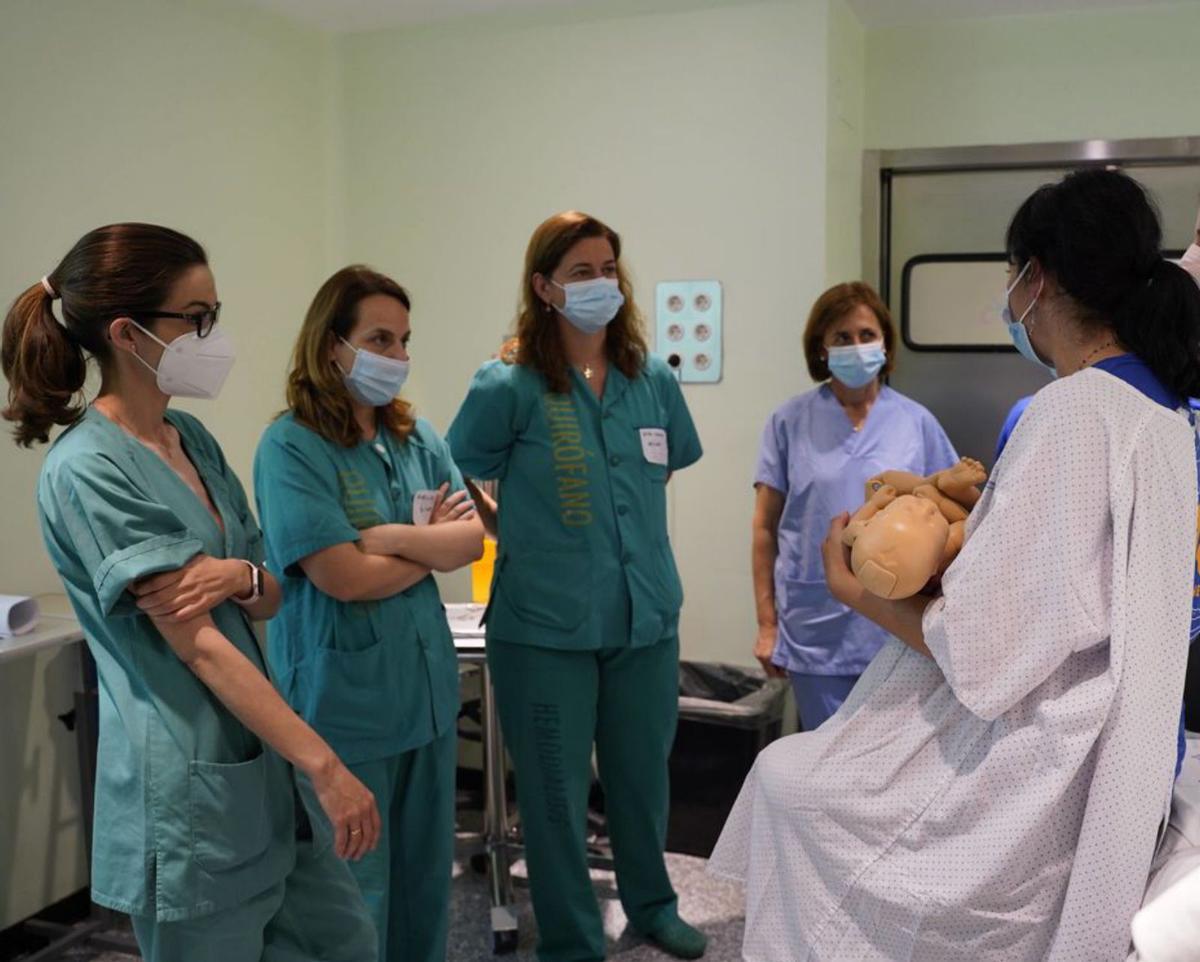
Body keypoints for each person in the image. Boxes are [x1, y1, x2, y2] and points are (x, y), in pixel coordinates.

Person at [710, 168, 1200, 961]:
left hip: (1041, 756)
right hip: (1115, 737)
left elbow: (983, 654)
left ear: (1035, 280)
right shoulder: (1164, 414)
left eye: (1011, 279)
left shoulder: (1071, 413)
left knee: (789, 784)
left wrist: (854, 588)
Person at [0, 224, 379, 962]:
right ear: (127, 332)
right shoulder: (87, 469)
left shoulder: (192, 439)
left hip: (263, 771)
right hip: (189, 796)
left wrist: (239, 575)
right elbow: (199, 645)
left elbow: (268, 591)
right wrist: (325, 766)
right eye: (196, 318)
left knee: (346, 944)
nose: (214, 335)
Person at [447, 211, 706, 962]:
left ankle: (653, 907)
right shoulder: (509, 383)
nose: (601, 284)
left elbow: (668, 462)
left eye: (609, 269)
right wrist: (501, 525)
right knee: (557, 799)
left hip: (645, 618)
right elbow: (460, 458)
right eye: (582, 272)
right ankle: (570, 938)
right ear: (544, 287)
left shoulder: (650, 379)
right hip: (543, 626)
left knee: (638, 781)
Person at [253, 265, 482, 962]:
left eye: (404, 341)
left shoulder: (416, 437)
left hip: (428, 699)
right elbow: (341, 577)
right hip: (345, 708)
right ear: (331, 345)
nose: (397, 358)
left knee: (424, 886)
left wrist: (392, 540)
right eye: (379, 339)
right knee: (357, 898)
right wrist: (429, 550)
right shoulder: (292, 447)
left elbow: (471, 538)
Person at [751, 282, 958, 729]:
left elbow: (953, 514)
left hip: (897, 623)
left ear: (885, 343)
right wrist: (767, 624)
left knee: (889, 766)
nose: (856, 347)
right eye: (842, 337)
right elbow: (765, 529)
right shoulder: (789, 422)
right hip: (814, 625)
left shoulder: (915, 422)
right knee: (824, 763)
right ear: (821, 349)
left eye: (866, 335)